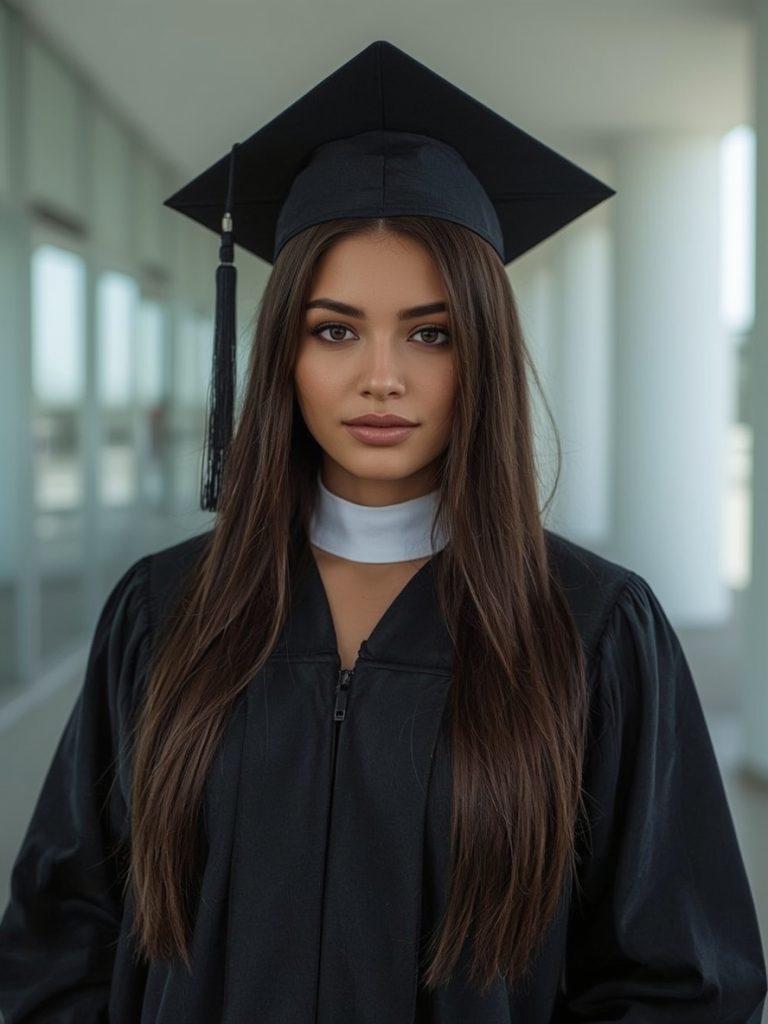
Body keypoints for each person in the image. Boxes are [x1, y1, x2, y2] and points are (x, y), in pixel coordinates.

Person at [1, 40, 766, 1024]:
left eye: (429, 331)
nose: (381, 376)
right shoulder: (164, 612)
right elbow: (60, 939)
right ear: (282, 348)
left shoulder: (591, 628)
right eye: (334, 328)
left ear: (480, 352)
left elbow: (680, 979)